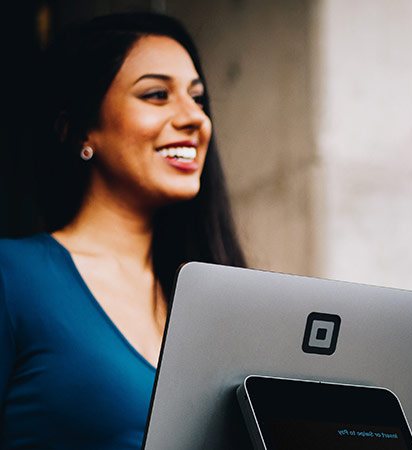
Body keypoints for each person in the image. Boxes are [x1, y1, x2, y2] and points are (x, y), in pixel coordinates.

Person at [0, 12, 245, 449]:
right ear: (77, 127)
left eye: (198, 98)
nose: (195, 119)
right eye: (156, 94)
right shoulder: (12, 277)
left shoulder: (225, 299)